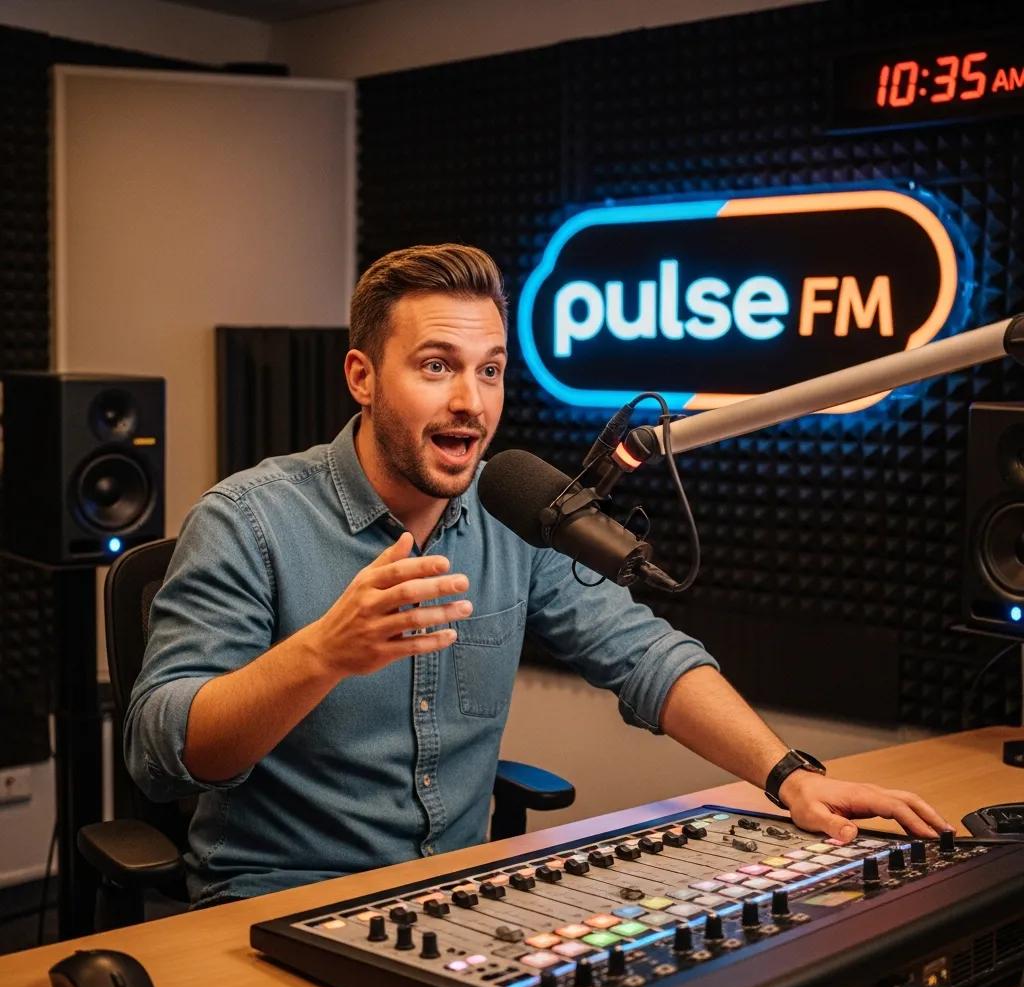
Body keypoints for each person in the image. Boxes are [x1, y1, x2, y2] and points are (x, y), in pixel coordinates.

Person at [125, 243, 951, 908]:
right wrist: (322, 655)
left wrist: (789, 777)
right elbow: (160, 752)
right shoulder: (249, 520)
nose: (472, 402)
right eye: (437, 366)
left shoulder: (513, 512)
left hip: (454, 897)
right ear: (362, 377)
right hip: (275, 901)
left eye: (489, 370)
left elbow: (644, 654)